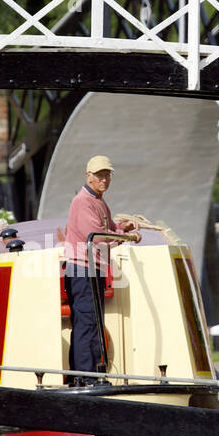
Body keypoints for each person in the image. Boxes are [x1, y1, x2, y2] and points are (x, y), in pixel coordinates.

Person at [62, 155, 140, 386]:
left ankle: (85, 376)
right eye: (99, 175)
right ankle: (88, 377)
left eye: (107, 175)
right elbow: (96, 236)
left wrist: (123, 227)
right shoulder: (83, 201)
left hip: (89, 269)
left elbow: (108, 228)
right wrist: (127, 236)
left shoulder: (97, 201)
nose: (104, 180)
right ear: (88, 176)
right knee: (88, 323)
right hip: (82, 270)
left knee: (90, 322)